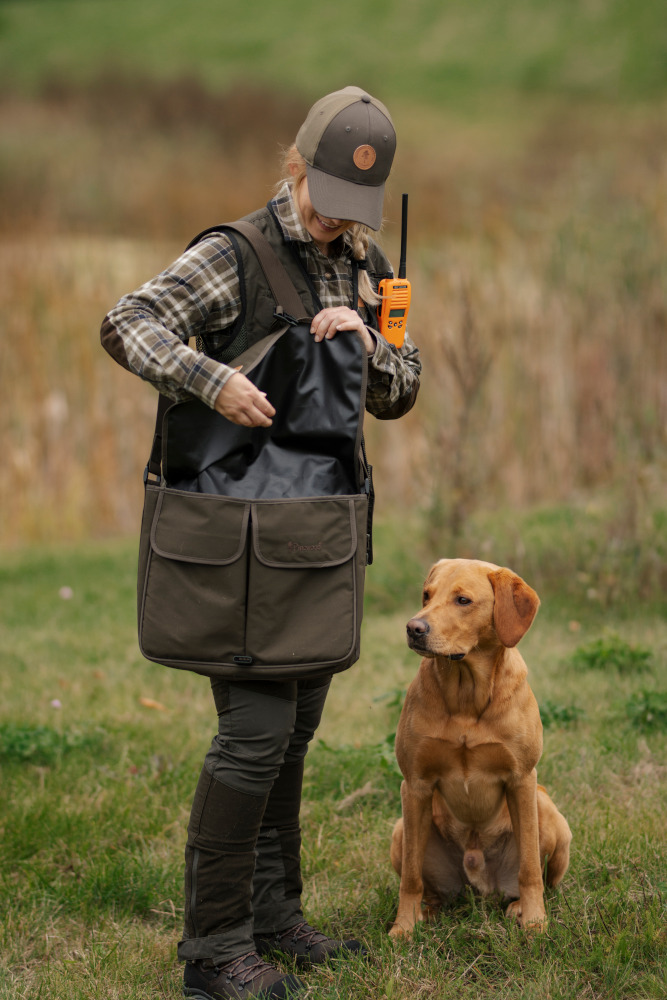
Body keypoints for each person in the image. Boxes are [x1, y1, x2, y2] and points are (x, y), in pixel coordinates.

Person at [101, 85, 421, 1000]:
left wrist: (363, 336)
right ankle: (213, 954)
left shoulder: (366, 263)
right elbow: (127, 322)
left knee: (296, 734)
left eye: (354, 212)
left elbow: (398, 393)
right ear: (296, 165)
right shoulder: (230, 255)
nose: (337, 224)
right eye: (326, 200)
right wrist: (210, 381)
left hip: (315, 539)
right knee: (254, 734)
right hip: (233, 543)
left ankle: (277, 921)